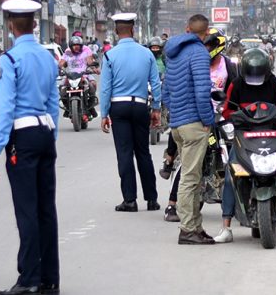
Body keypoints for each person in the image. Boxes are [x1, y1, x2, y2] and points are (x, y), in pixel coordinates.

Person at [0, 0, 60, 295]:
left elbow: (5, 107)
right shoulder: (47, 57)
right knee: (46, 209)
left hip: (23, 137)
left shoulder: (10, 59)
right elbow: (54, 103)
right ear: (33, 24)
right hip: (45, 133)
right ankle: (49, 279)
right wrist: (50, 136)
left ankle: (29, 279)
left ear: (10, 25)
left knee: (27, 210)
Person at [215, 48, 276, 244]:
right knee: (231, 175)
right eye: (251, 74)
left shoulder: (275, 84)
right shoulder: (237, 85)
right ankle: (226, 227)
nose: (255, 78)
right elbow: (226, 110)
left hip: (273, 137)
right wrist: (236, 116)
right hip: (244, 137)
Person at [161, 27, 237, 223]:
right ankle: (172, 201)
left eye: (209, 44)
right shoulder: (191, 61)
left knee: (235, 151)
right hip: (195, 118)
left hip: (220, 118)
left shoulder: (229, 66)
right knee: (186, 162)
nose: (205, 48)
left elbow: (235, 92)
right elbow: (170, 89)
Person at [99, 13, 162, 213]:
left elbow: (105, 89)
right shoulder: (147, 54)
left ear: (117, 32)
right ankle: (152, 199)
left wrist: (104, 114)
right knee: (143, 152)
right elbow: (156, 84)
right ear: (133, 30)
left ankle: (130, 200)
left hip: (119, 108)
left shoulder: (110, 55)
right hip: (140, 106)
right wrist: (157, 109)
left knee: (124, 153)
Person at [163, 14, 216, 245]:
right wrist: (208, 119)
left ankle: (196, 226)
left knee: (191, 176)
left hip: (177, 123)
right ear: (206, 33)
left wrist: (171, 113)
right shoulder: (200, 53)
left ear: (187, 29)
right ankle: (187, 229)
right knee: (190, 179)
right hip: (194, 122)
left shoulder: (172, 52)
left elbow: (166, 88)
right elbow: (203, 92)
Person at [59, 35, 97, 118]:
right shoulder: (68, 52)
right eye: (74, 45)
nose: (76, 47)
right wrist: (59, 67)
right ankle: (67, 108)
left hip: (84, 74)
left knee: (93, 84)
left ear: (81, 46)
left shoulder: (85, 50)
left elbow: (90, 62)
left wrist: (94, 68)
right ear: (71, 46)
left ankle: (91, 107)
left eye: (78, 45)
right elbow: (62, 62)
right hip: (70, 75)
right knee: (61, 87)